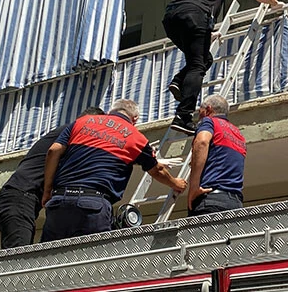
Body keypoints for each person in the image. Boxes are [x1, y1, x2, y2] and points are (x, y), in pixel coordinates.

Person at [163, 0, 284, 135]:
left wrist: (207, 33)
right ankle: (183, 116)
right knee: (198, 65)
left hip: (171, 20)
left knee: (204, 59)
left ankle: (179, 81)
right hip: (196, 16)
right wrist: (274, 3)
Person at [40, 99, 187, 242]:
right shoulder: (137, 138)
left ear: (110, 112)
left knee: (51, 255)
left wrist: (47, 191)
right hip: (93, 205)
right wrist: (176, 183)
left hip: (59, 201)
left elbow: (53, 151)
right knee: (96, 256)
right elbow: (156, 170)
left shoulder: (81, 122)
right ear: (135, 118)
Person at [0, 106, 104, 249]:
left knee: (23, 254)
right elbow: (53, 152)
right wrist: (48, 190)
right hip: (20, 197)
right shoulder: (73, 132)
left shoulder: (64, 135)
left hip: (18, 198)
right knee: (18, 257)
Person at [187, 95, 246, 216]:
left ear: (208, 109)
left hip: (210, 200)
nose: (199, 116)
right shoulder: (238, 134)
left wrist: (194, 186)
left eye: (200, 112)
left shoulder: (209, 121)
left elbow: (202, 142)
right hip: (235, 204)